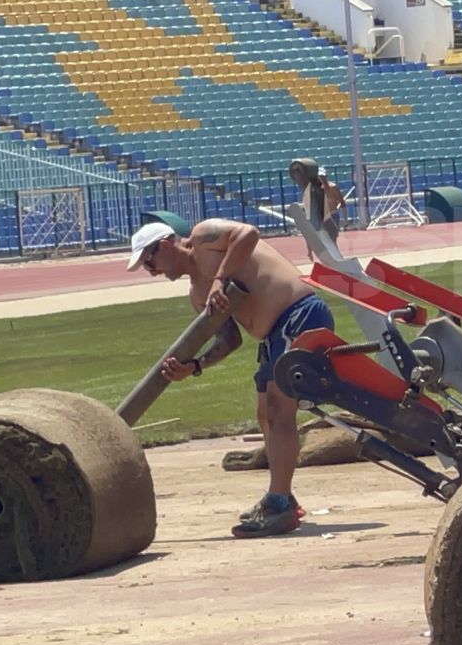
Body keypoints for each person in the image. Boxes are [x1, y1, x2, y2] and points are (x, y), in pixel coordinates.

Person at [126, 219, 335, 538]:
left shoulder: (204, 237)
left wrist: (220, 279)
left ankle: (279, 502)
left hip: (298, 313)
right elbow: (230, 339)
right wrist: (195, 366)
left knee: (279, 410)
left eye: (149, 261)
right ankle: (283, 495)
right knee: (265, 414)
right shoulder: (198, 294)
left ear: (166, 244)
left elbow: (248, 233)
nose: (151, 271)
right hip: (273, 336)